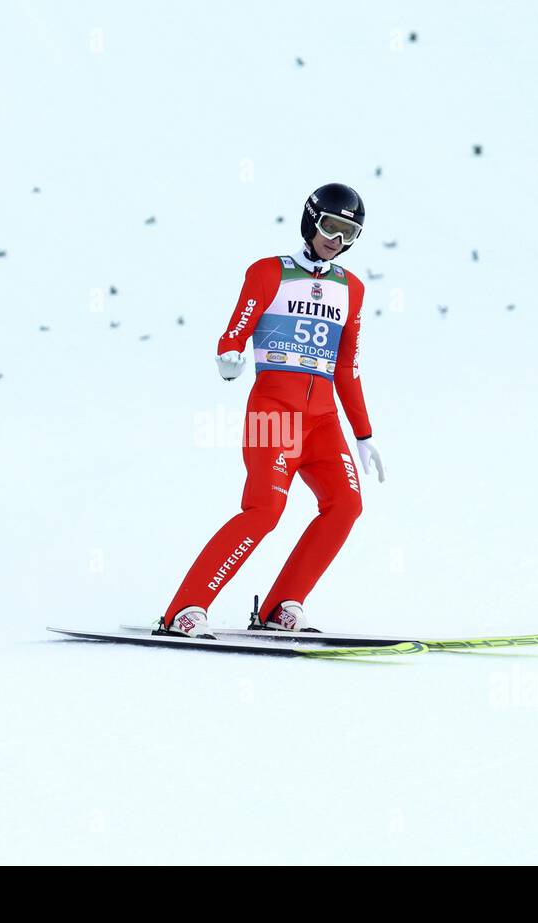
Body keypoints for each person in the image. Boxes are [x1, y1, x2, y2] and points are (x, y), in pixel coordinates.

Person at [159, 183, 385, 638]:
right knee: (264, 509)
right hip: (274, 412)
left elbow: (347, 367)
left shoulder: (351, 289)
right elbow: (234, 333)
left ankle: (282, 605)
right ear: (310, 221)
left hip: (322, 420)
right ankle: (185, 609)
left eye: (348, 234)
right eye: (330, 227)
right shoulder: (268, 273)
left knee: (346, 505)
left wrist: (363, 434)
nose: (336, 241)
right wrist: (229, 357)